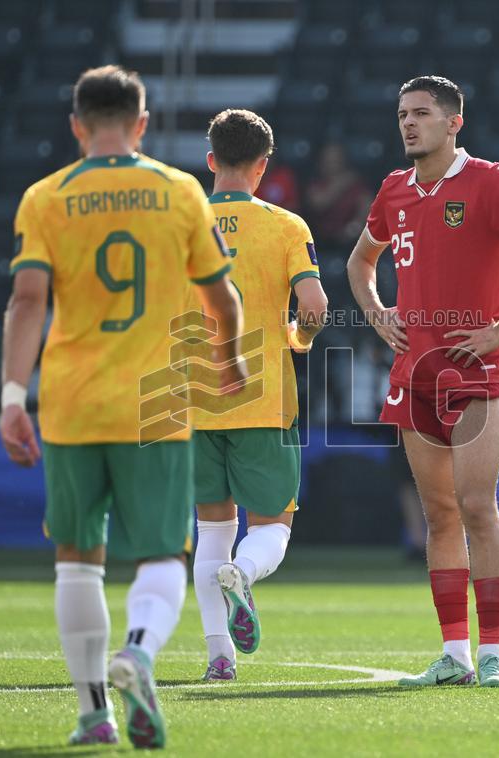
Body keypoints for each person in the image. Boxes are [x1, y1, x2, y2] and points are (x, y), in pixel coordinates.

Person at [0, 65, 245, 748]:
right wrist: (230, 359)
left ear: (77, 126)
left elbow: (27, 300)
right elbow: (221, 297)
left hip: (72, 402)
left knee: (78, 559)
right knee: (162, 555)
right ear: (141, 124)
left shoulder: (45, 197)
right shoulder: (179, 191)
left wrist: (13, 397)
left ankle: (93, 714)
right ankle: (138, 649)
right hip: (156, 400)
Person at [346, 76, 499, 688]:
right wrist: (378, 314)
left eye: (421, 113)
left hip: (474, 375)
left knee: (476, 505)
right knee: (439, 515)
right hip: (413, 375)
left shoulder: (488, 181)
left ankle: (493, 652)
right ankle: (455, 654)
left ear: (454, 123)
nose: (408, 123)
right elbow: (359, 261)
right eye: (402, 113)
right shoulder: (395, 190)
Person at [192, 109, 328, 681]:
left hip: (192, 397)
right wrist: (300, 339)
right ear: (263, 166)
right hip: (263, 396)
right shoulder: (286, 225)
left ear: (210, 160)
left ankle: (218, 657)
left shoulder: (180, 224)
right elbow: (314, 306)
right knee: (271, 528)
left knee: (211, 532)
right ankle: (243, 575)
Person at [304, 142, 373, 246]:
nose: (332, 164)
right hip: (319, 242)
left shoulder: (355, 185)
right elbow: (318, 204)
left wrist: (355, 226)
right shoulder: (315, 183)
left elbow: (367, 205)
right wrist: (342, 182)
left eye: (336, 160)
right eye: (328, 160)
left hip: (348, 243)